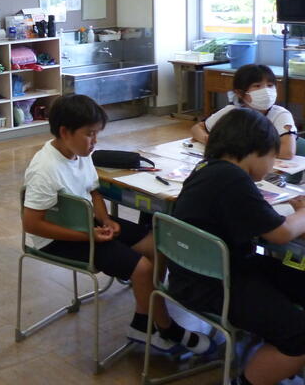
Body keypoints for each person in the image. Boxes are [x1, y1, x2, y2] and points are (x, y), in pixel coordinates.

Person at [22, 94, 213, 354]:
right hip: (55, 239)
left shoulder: (80, 152)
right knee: (143, 269)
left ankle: (142, 322)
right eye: (90, 134)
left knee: (157, 246)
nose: (95, 141)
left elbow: (93, 191)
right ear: (65, 132)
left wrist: (106, 220)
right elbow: (32, 224)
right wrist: (89, 236)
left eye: (97, 134)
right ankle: (166, 327)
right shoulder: (45, 169)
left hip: (83, 225)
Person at [171, 107, 305, 385]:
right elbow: (281, 234)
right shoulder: (233, 179)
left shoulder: (208, 168)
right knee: (298, 335)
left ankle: (276, 352)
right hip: (215, 284)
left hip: (200, 273)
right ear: (254, 151)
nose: (272, 165)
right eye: (271, 157)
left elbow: (247, 213)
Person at [192, 64, 295, 159]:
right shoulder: (232, 111)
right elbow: (197, 128)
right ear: (240, 93)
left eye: (270, 85)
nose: (266, 91)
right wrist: (209, 140)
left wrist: (235, 148)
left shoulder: (280, 114)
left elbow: (287, 152)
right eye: (257, 86)